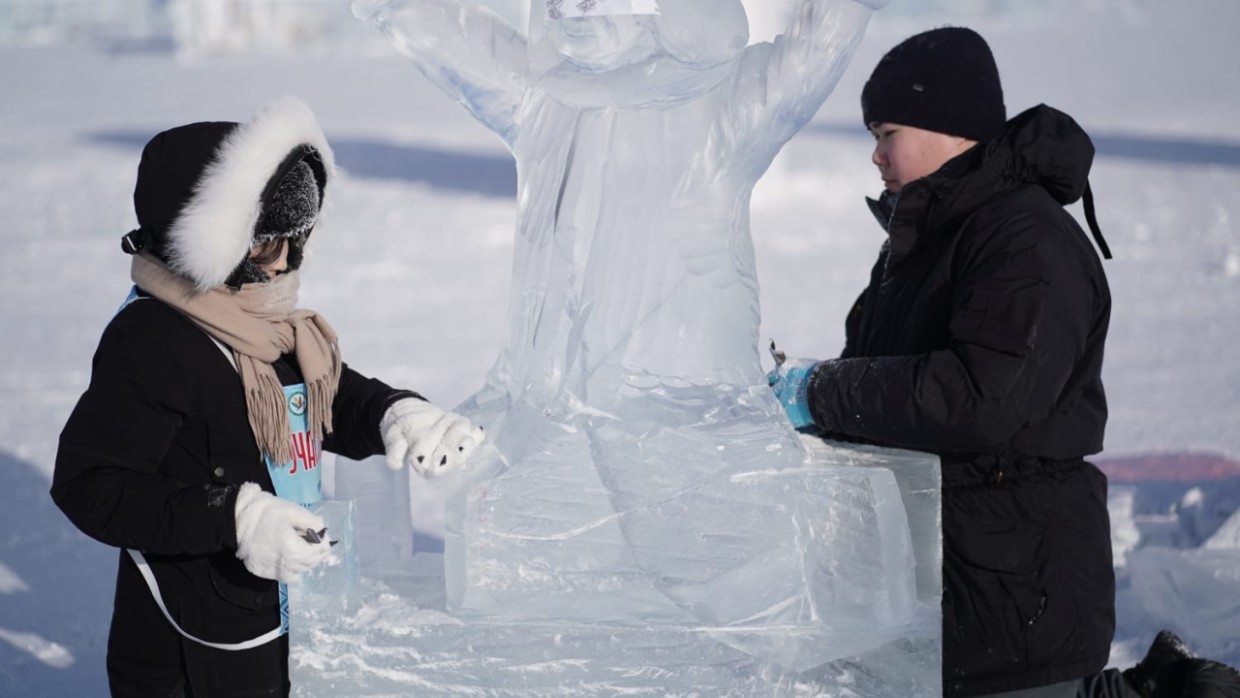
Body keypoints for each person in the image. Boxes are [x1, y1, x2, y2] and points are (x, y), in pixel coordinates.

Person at [767, 26, 1240, 698]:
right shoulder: (927, 242)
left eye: (887, 131)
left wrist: (822, 391)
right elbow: (888, 390)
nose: (874, 155)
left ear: (948, 125)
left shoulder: (1024, 239)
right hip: (945, 590)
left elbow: (981, 398)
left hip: (1013, 591)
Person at [51, 97, 485, 697]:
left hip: (278, 610)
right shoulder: (152, 343)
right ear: (204, 241)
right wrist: (235, 516)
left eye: (298, 239)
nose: (285, 264)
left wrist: (394, 412)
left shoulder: (261, 321)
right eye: (264, 244)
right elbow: (91, 484)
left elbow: (321, 396)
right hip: (192, 647)